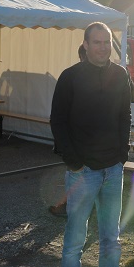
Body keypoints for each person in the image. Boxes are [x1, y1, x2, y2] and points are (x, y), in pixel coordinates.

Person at [50, 22, 134, 267]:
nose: (102, 47)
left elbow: (125, 115)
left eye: (106, 42)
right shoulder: (70, 77)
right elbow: (58, 121)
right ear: (85, 45)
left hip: (113, 169)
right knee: (75, 238)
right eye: (96, 42)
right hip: (82, 171)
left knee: (111, 238)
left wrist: (122, 153)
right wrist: (73, 161)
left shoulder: (120, 74)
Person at [48, 44, 88, 218]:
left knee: (78, 175)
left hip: (78, 141)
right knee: (76, 174)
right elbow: (58, 117)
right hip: (75, 141)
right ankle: (68, 206)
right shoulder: (71, 76)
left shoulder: (72, 75)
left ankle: (70, 206)